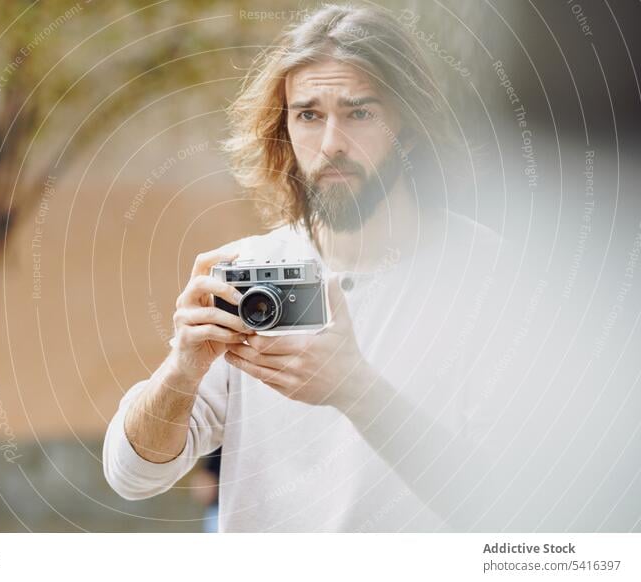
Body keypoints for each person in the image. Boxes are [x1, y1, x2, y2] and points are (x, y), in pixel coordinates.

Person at [104, 3, 528, 532]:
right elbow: (132, 475)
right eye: (308, 115)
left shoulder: (496, 279)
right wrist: (183, 369)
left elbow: (517, 502)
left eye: (359, 112)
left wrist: (356, 391)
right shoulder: (250, 271)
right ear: (284, 129)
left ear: (410, 126)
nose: (331, 144)